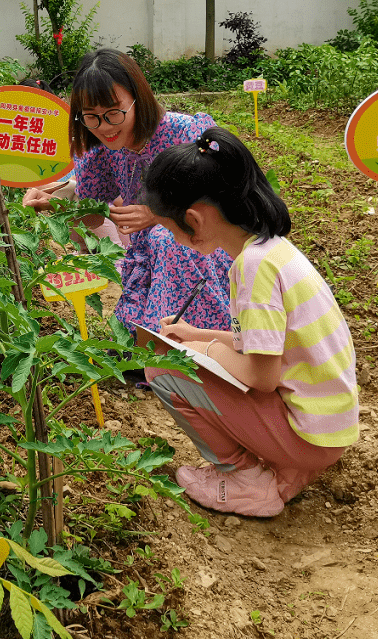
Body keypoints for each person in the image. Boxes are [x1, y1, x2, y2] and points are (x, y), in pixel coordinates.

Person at [140, 127, 358, 517]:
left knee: (163, 367)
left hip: (310, 437)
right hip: (326, 426)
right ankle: (287, 468)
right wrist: (198, 333)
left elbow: (262, 376)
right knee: (188, 352)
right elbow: (267, 343)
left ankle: (244, 478)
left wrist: (199, 349)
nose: (171, 238)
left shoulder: (253, 269)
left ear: (194, 219)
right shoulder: (271, 250)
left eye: (170, 228)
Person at [23, 48, 231, 334]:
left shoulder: (185, 133)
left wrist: (158, 215)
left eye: (113, 113)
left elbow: (225, 197)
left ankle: (204, 343)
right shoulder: (101, 151)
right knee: (133, 344)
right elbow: (94, 218)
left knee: (164, 241)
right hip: (146, 256)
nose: (104, 126)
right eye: (91, 117)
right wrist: (57, 205)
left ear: (138, 98)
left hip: (198, 250)